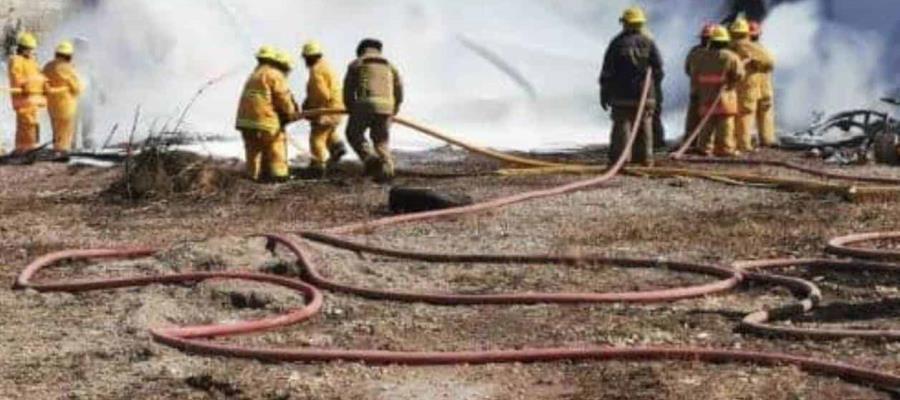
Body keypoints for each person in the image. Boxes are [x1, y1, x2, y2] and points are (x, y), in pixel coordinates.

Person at [599, 6, 664, 167]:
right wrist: (655, 91)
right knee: (644, 125)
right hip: (645, 95)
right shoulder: (649, 42)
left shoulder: (617, 43)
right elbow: (658, 69)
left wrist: (604, 93)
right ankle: (646, 159)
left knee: (622, 126)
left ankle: (620, 160)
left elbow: (607, 71)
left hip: (621, 95)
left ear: (625, 23)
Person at [235, 46, 301, 182]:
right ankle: (279, 178)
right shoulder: (274, 74)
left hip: (245, 122)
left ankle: (253, 178)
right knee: (277, 147)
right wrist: (291, 113)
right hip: (265, 121)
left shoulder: (254, 75)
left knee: (253, 151)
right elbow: (283, 98)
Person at [343, 38, 404, 182]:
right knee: (381, 141)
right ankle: (387, 171)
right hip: (387, 107)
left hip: (364, 105)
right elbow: (399, 89)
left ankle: (370, 159)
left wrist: (351, 108)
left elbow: (348, 90)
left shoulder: (357, 63)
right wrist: (394, 109)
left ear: (361, 50)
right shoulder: (390, 66)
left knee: (353, 133)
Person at [688, 25, 745, 157]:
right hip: (724, 96)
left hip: (706, 95)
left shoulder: (700, 56)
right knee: (725, 124)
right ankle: (725, 149)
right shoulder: (731, 57)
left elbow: (691, 72)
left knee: (707, 123)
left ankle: (705, 148)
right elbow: (739, 75)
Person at [301, 40, 347, 178]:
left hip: (326, 110)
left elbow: (321, 94)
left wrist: (310, 108)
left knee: (316, 138)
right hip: (337, 107)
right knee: (328, 130)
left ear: (309, 57)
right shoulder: (327, 67)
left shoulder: (316, 71)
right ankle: (337, 146)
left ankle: (317, 167)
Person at [729, 17, 774, 152]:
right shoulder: (747, 46)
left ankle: (763, 140)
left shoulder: (731, 46)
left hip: (754, 86)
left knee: (750, 113)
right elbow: (769, 61)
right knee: (748, 113)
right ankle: (746, 144)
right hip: (752, 86)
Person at [7, 32, 46, 154]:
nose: (32, 52)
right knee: (27, 123)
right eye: (30, 49)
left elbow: (39, 76)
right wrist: (26, 86)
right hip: (23, 98)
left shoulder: (31, 62)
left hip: (33, 99)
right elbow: (16, 77)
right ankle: (27, 148)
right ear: (23, 49)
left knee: (29, 124)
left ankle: (22, 148)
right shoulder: (16, 60)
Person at [43, 41, 83, 154]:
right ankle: (62, 152)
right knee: (65, 131)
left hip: (51, 105)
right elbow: (76, 88)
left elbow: (43, 84)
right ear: (69, 55)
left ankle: (57, 149)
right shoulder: (68, 68)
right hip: (66, 106)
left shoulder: (47, 66)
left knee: (56, 130)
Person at [683, 24, 715, 149]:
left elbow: (687, 69)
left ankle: (691, 142)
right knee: (709, 119)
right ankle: (705, 143)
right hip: (711, 92)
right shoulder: (718, 54)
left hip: (696, 90)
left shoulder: (694, 51)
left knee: (693, 118)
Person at [749, 21, 777, 147]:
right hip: (764, 88)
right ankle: (767, 140)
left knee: (746, 115)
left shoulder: (741, 49)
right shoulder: (761, 50)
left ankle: (745, 140)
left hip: (750, 88)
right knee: (764, 114)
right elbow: (770, 63)